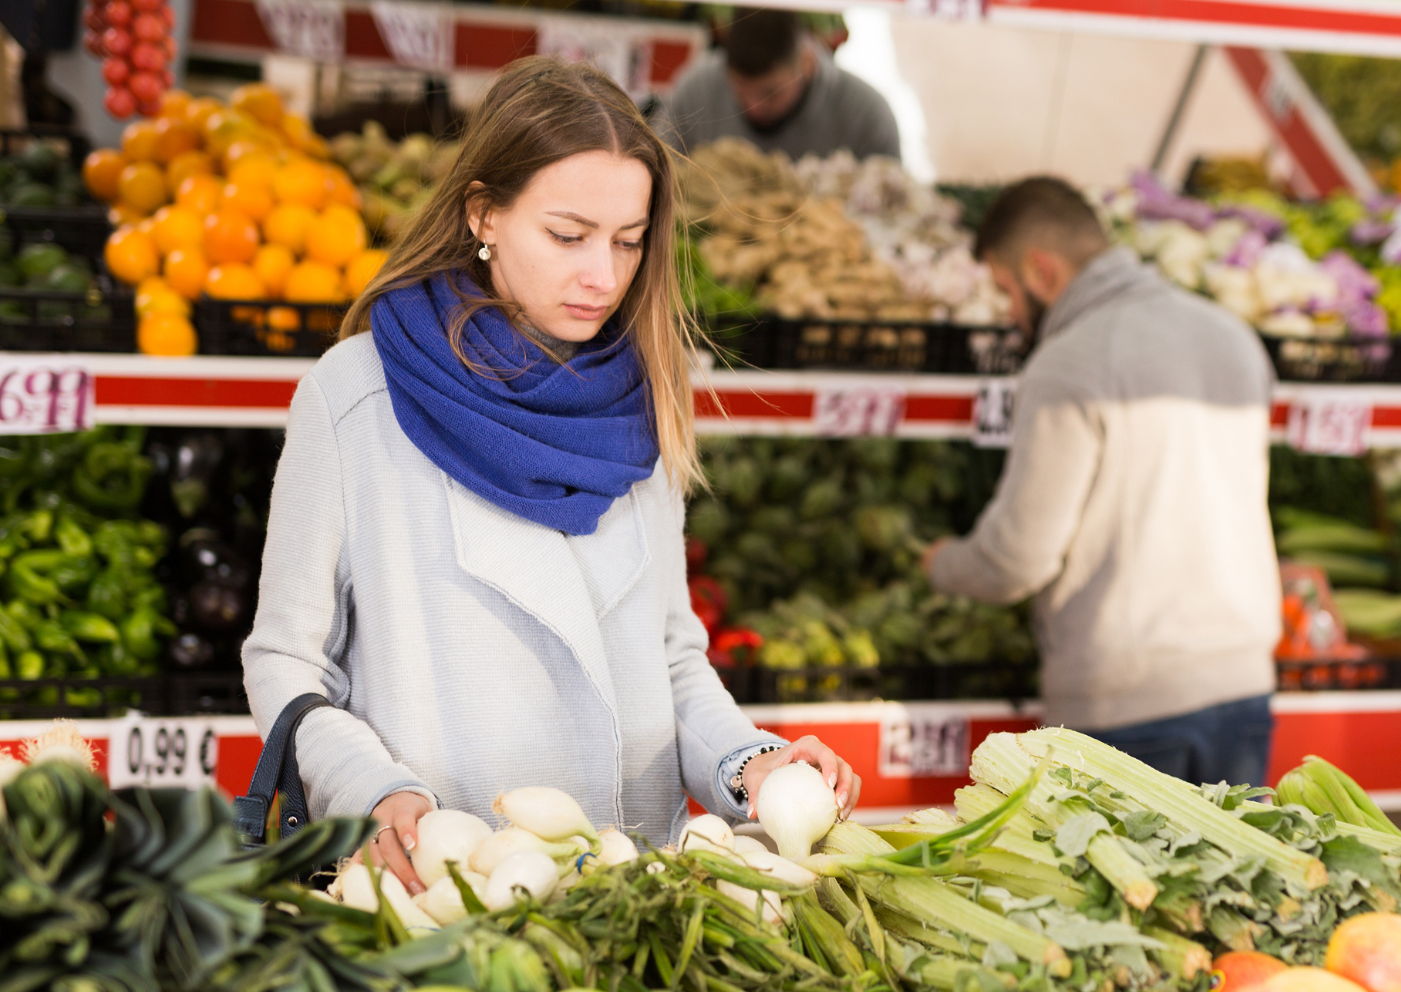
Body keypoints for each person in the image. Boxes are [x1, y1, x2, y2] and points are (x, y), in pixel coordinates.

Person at [242, 58, 862, 894]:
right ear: (483, 214)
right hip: (437, 891)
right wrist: (374, 790)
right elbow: (287, 660)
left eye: (629, 241)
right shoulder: (357, 395)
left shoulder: (643, 393)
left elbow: (673, 659)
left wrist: (754, 765)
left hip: (629, 900)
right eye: (568, 236)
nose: (603, 277)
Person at [922, 177, 1282, 788]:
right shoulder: (1232, 336)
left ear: (1041, 270)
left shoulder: (1070, 360)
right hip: (1244, 690)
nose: (1009, 314)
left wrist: (941, 564)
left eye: (1006, 291)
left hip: (1128, 707)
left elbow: (1018, 558)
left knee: (1127, 885)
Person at [655, 9, 899, 161]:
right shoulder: (696, 90)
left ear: (807, 62)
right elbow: (656, 169)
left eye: (771, 93)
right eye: (739, 90)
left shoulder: (867, 117)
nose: (752, 108)